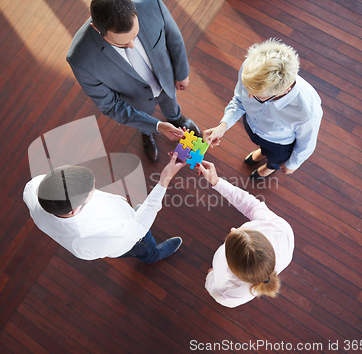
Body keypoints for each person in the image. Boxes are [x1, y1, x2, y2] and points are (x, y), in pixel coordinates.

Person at [67, 0, 201, 162]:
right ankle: (146, 132)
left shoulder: (150, 3)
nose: (131, 45)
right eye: (121, 43)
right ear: (96, 28)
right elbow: (111, 106)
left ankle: (175, 117)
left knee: (171, 104)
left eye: (135, 35)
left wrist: (182, 73)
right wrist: (156, 126)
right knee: (143, 120)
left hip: (166, 80)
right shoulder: (80, 59)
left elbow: (174, 38)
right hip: (134, 102)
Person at [23, 153, 186, 263]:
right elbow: (140, 227)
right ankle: (153, 255)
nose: (95, 189)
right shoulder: (101, 236)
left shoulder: (34, 187)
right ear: (74, 211)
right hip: (128, 241)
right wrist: (166, 178)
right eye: (91, 192)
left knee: (137, 216)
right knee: (143, 245)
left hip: (120, 224)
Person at [204, 39, 322, 179]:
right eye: (247, 88)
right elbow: (239, 100)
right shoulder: (250, 68)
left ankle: (270, 166)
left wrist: (292, 164)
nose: (248, 96)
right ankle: (262, 152)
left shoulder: (307, 112)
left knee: (276, 159)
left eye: (257, 96)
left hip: (279, 144)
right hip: (253, 126)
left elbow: (306, 144)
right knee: (261, 146)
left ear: (283, 91)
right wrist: (223, 125)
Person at [197, 160, 294, 307]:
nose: (233, 229)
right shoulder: (281, 230)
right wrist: (216, 182)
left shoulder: (223, 291)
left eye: (230, 238)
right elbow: (251, 205)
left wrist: (212, 274)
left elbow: (212, 287)